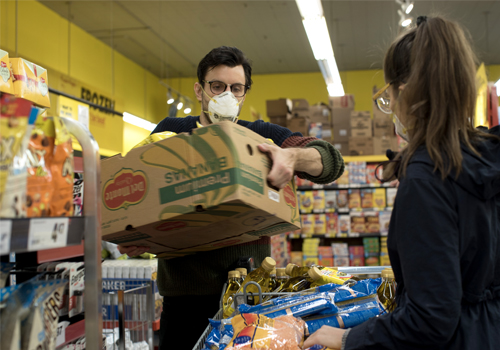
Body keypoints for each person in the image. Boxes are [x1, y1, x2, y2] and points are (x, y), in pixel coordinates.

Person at [121, 46, 345, 349]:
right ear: (199, 90)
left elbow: (329, 161)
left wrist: (291, 156)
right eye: (217, 86)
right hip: (182, 303)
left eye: (235, 88)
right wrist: (135, 235)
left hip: (249, 300)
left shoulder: (263, 137)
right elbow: (137, 191)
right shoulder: (171, 133)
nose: (226, 95)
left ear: (244, 94)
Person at [303, 15, 500, 350]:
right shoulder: (486, 158)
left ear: (406, 94)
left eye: (388, 95)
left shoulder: (426, 179)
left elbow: (431, 318)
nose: (390, 105)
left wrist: (350, 337)